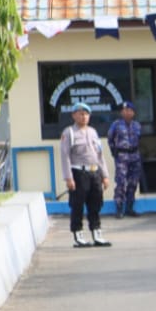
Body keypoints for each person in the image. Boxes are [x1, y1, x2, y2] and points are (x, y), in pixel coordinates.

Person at [59, 103, 111, 247]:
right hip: (78, 173)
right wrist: (68, 177)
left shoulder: (93, 132)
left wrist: (105, 176)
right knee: (78, 205)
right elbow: (65, 156)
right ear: (74, 115)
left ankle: (97, 233)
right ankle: (78, 234)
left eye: (86, 114)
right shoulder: (69, 132)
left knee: (95, 204)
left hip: (94, 172)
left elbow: (100, 155)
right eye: (80, 113)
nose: (84, 117)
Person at [107, 100, 144, 218]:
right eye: (124, 110)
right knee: (121, 183)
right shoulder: (116, 125)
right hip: (122, 157)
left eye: (129, 110)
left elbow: (139, 140)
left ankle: (129, 208)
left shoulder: (137, 125)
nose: (127, 112)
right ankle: (119, 209)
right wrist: (115, 153)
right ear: (121, 112)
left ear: (133, 113)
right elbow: (110, 139)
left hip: (135, 156)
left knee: (133, 183)